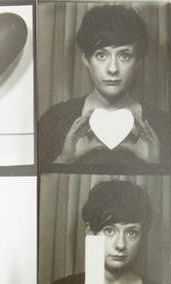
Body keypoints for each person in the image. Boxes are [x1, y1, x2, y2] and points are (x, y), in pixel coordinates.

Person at [39, 180, 171, 284]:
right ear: (90, 232)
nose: (120, 245)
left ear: (142, 237)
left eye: (131, 232)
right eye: (109, 230)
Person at [38, 5, 171, 168]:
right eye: (101, 55)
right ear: (86, 59)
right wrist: (65, 159)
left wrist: (155, 164)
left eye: (124, 56)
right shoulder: (54, 120)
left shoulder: (164, 125)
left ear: (137, 62)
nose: (113, 69)